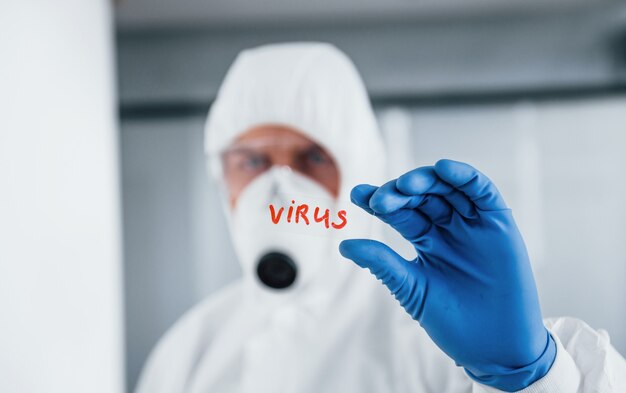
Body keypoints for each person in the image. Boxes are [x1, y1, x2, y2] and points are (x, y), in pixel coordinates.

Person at [135, 42, 626, 393]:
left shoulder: (437, 338)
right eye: (252, 162)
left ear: (360, 166)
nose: (279, 190)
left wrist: (530, 375)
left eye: (311, 159)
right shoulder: (189, 351)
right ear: (222, 177)